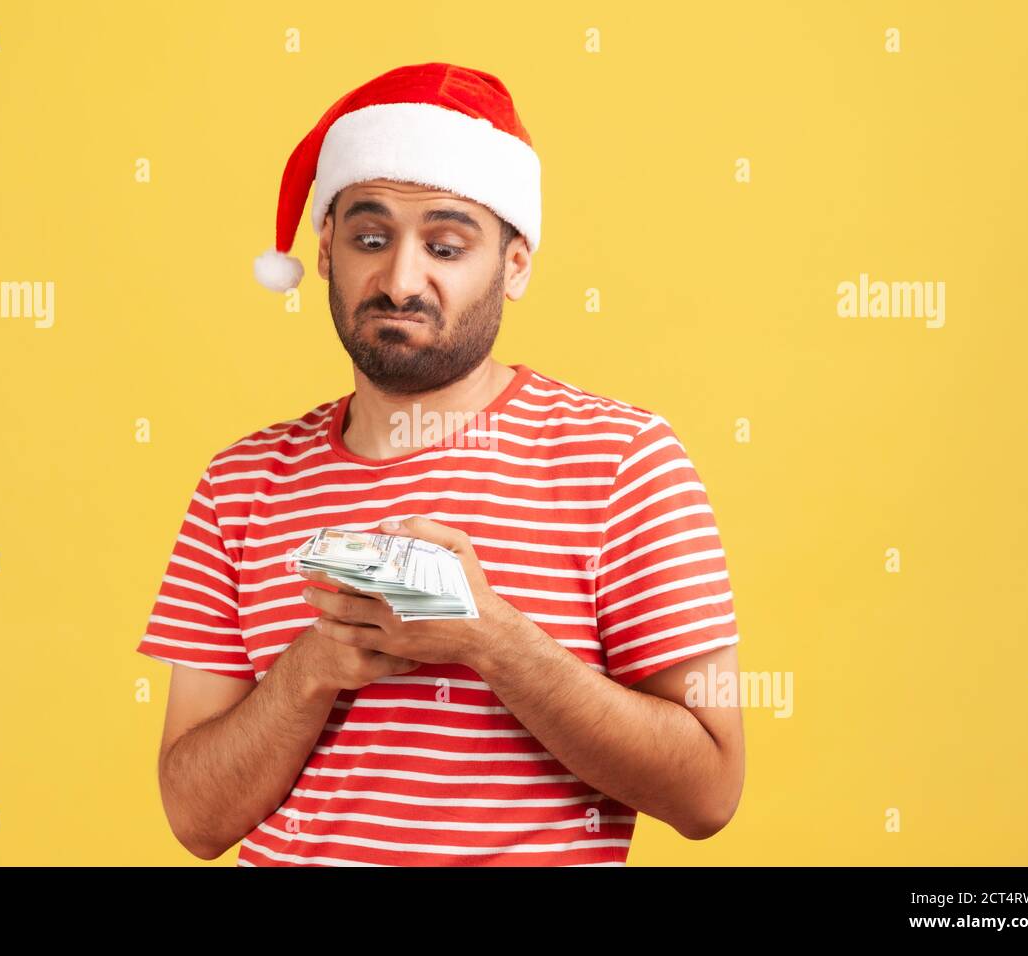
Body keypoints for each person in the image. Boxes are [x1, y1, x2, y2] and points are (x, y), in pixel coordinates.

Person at [136, 62, 744, 866]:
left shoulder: (625, 462)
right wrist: (316, 666)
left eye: (447, 245)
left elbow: (709, 793)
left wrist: (492, 639)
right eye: (370, 237)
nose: (400, 279)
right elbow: (195, 820)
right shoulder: (240, 484)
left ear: (514, 265)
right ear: (325, 252)